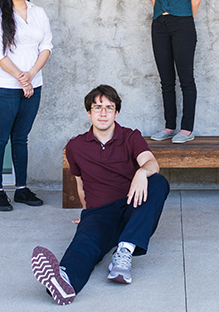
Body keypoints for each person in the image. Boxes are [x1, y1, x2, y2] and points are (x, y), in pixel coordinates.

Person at [31, 85, 170, 305]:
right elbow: (80, 184)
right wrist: (85, 213)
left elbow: (151, 163)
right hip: (99, 212)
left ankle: (123, 253)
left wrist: (143, 171)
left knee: (158, 182)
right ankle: (64, 281)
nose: (103, 113)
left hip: (131, 207)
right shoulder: (75, 146)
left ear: (116, 113)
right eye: (97, 107)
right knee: (85, 242)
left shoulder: (130, 137)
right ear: (89, 112)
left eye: (109, 108)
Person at [0, 0, 52, 211]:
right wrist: (21, 79)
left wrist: (31, 76)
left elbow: (46, 46)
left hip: (34, 85)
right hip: (4, 87)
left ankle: (21, 189)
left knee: (21, 139)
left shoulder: (38, 13)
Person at [146, 0, 202, 144]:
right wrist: (162, 14)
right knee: (166, 80)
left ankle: (187, 129)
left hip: (183, 25)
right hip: (159, 25)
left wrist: (184, 19)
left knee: (186, 79)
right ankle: (170, 126)